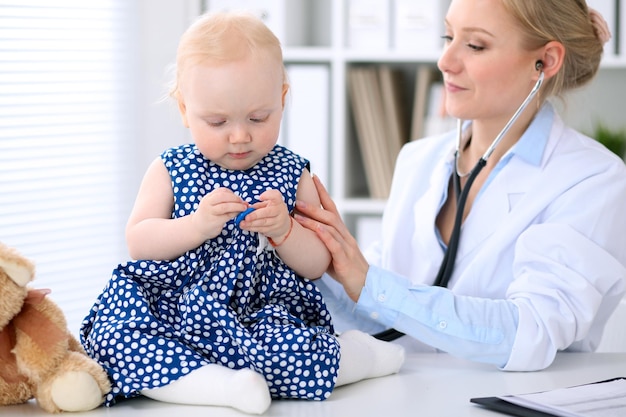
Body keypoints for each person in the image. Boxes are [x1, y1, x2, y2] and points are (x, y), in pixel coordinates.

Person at [80, 11, 404, 415]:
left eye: (258, 118)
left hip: (260, 314)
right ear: (184, 109)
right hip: (175, 309)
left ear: (282, 101)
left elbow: (317, 264)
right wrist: (194, 225)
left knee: (293, 351)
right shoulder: (169, 168)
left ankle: (360, 356)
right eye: (217, 121)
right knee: (116, 339)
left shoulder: (293, 173)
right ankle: (220, 386)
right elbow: (139, 243)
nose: (239, 135)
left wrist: (286, 231)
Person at [295, 0, 626, 372]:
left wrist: (372, 285)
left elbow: (530, 333)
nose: (445, 61)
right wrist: (311, 256)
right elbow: (381, 320)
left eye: (475, 45)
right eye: (448, 36)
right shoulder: (417, 161)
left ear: (546, 61)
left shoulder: (592, 179)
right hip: (408, 400)